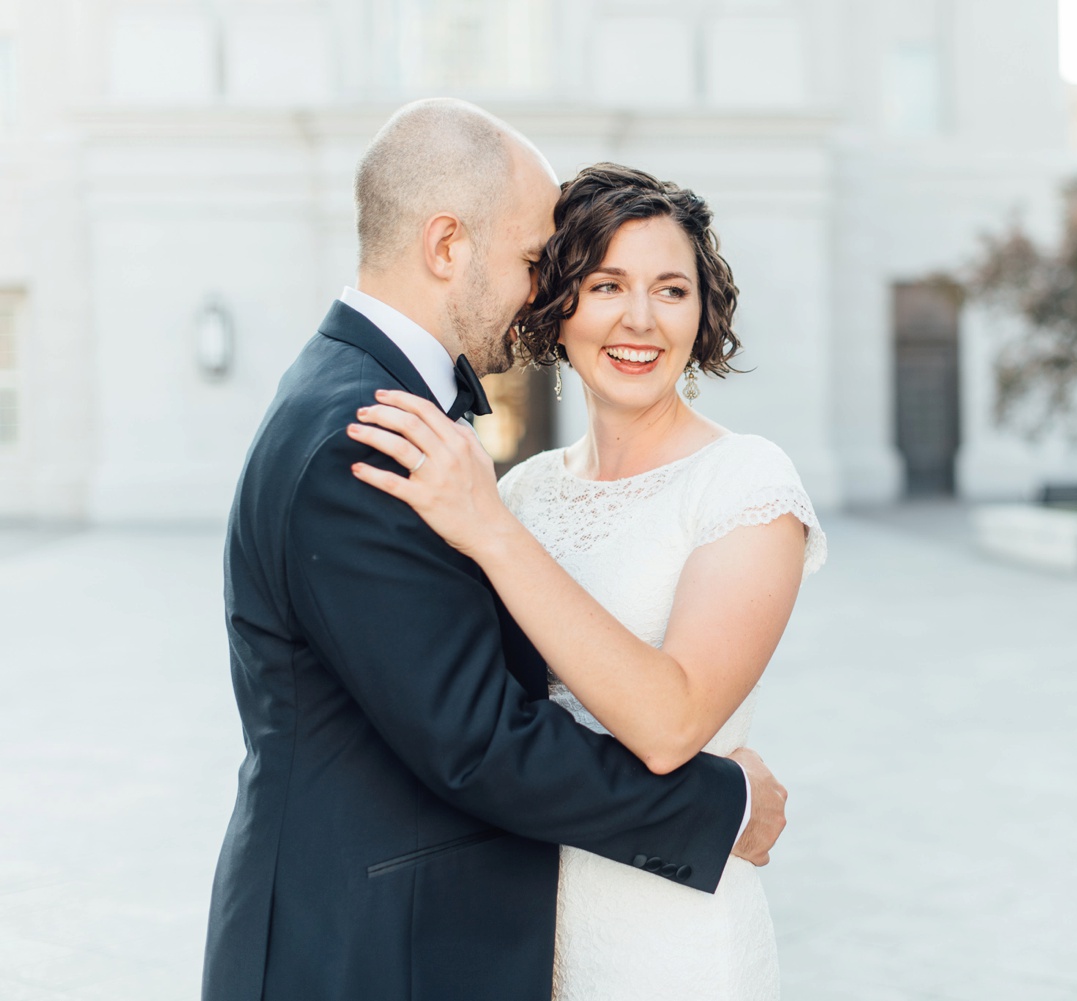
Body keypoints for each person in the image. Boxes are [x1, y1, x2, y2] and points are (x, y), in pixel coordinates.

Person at [203, 100, 788, 1001]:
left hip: (610, 935)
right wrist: (722, 807)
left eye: (671, 288)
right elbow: (474, 739)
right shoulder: (377, 434)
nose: (535, 293)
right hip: (364, 947)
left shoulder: (411, 431)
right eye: (539, 265)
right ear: (447, 247)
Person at [347, 162, 825, 999]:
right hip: (525, 927)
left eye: (672, 290)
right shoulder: (522, 492)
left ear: (702, 311)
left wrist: (491, 532)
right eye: (606, 284)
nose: (640, 319)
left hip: (673, 935)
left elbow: (673, 721)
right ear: (558, 302)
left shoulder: (747, 482)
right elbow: (476, 718)